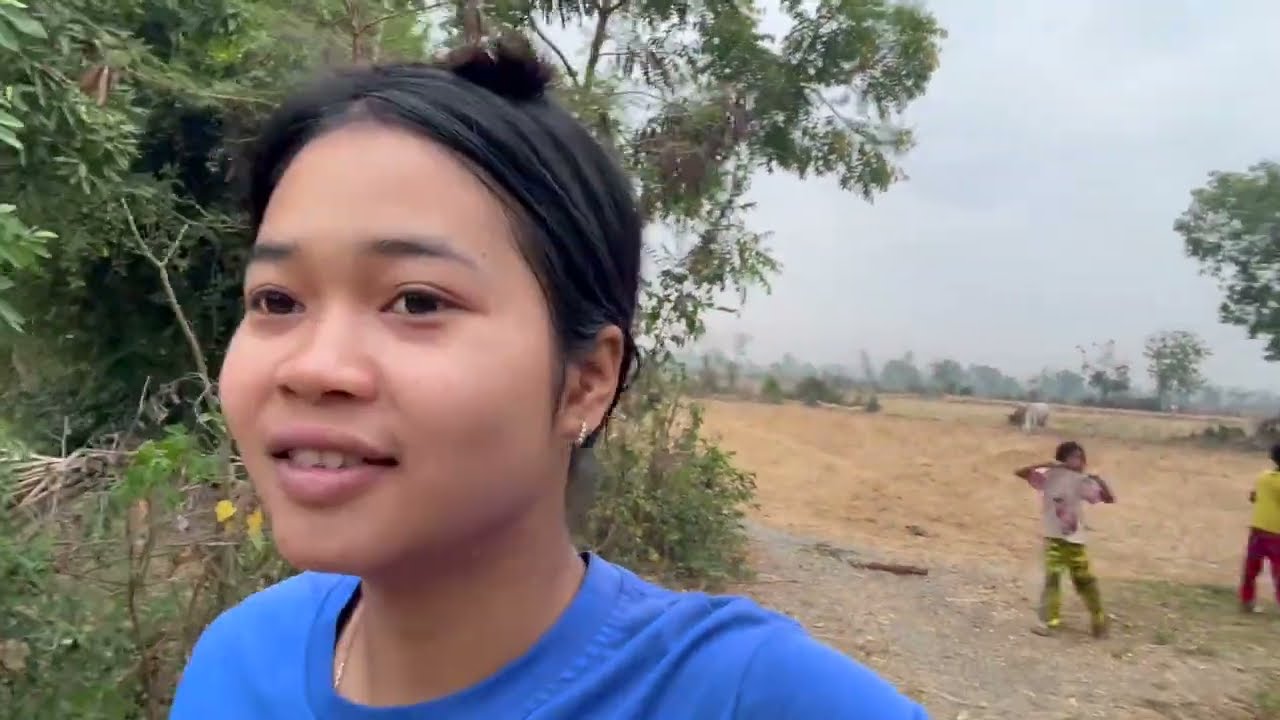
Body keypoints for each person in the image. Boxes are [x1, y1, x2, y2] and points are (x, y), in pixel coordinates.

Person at [169, 36, 928, 719]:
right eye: (276, 301)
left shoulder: (746, 697)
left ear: (586, 383)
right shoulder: (237, 662)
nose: (313, 367)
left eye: (417, 301)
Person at [1013, 440, 1116, 637]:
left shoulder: (1082, 481)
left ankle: (1099, 620)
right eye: (1073, 457)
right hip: (1054, 538)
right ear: (1062, 459)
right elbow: (1019, 472)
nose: (1078, 461)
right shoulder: (1049, 476)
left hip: (1075, 541)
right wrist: (1046, 463)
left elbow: (1108, 498)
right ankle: (1049, 621)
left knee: (1085, 582)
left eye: (1080, 457)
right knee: (1052, 579)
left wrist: (1099, 480)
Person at [1240, 443, 1280, 613]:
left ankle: (1247, 600)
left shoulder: (1263, 477)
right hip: (1277, 533)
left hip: (1257, 529)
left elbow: (1253, 497)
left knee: (1251, 568)